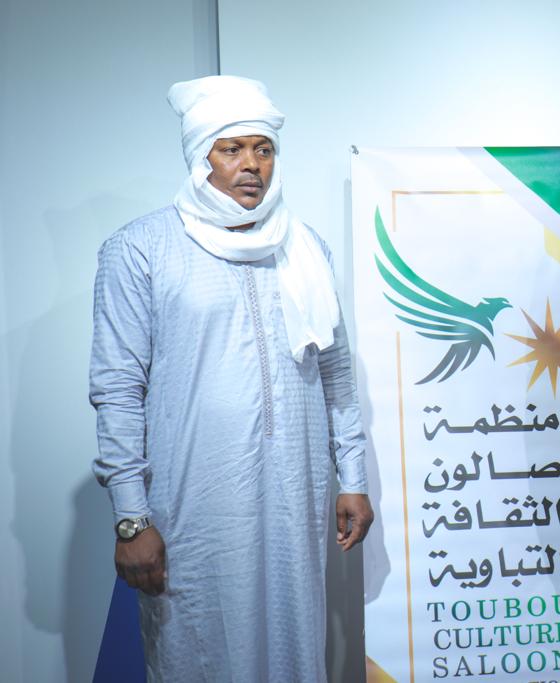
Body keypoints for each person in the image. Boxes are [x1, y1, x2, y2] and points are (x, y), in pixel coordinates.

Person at [89, 75, 373, 682]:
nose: (251, 165)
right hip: (192, 506)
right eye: (232, 149)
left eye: (263, 149)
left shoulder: (304, 249)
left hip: (294, 499)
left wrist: (352, 476)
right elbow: (118, 390)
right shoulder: (141, 248)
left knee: (295, 648)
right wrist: (132, 519)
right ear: (201, 158)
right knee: (197, 649)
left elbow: (336, 373)